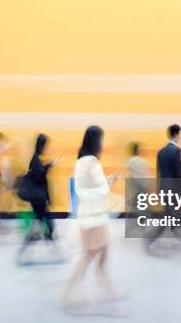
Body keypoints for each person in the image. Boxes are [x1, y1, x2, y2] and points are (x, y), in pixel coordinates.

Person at [63, 126, 120, 304]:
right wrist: (109, 186)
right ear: (96, 141)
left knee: (100, 252)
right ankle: (68, 292)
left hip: (91, 214)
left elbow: (87, 188)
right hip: (95, 216)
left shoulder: (81, 162)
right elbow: (98, 190)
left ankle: (108, 289)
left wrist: (108, 180)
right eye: (101, 140)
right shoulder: (92, 162)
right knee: (89, 255)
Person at [17, 134, 61, 263]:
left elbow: (40, 175)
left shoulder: (36, 160)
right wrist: (50, 166)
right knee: (47, 225)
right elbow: (39, 176)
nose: (47, 148)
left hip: (39, 201)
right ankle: (55, 251)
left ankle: (26, 250)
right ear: (42, 145)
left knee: (42, 226)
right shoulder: (35, 159)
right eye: (46, 145)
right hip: (38, 201)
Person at [146, 124, 181, 247]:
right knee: (169, 214)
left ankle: (175, 231)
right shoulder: (176, 151)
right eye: (179, 135)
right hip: (173, 189)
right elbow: (178, 173)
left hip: (163, 188)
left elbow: (159, 172)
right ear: (176, 134)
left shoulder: (161, 152)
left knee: (170, 212)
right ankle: (151, 237)